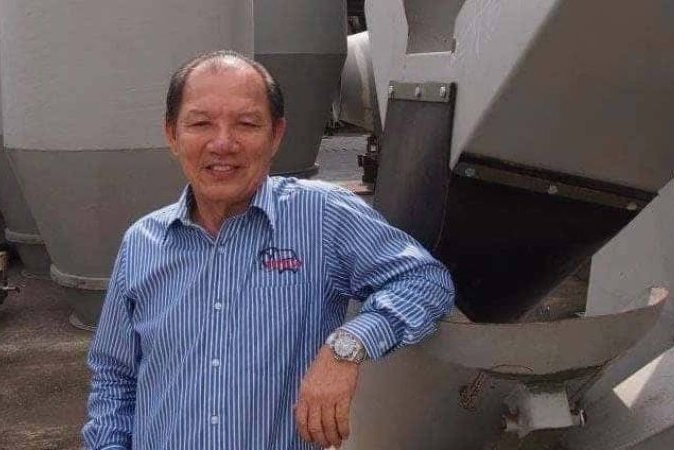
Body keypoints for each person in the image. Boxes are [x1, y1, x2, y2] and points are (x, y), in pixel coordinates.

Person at [82, 50, 454, 450]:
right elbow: (114, 378)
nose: (222, 143)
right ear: (172, 134)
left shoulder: (321, 217)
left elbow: (425, 281)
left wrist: (346, 347)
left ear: (276, 135)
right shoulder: (142, 243)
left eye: (246, 124)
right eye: (201, 123)